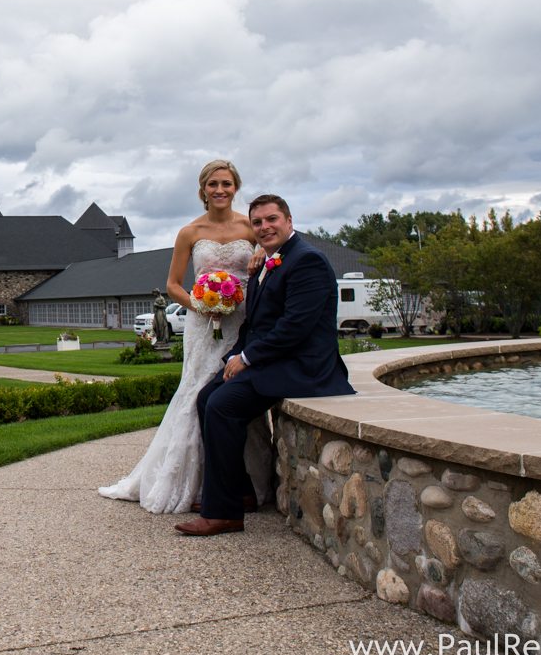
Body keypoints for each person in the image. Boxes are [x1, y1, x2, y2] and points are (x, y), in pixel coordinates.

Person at [175, 194, 355, 537]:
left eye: (272, 219)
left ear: (288, 220)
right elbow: (254, 325)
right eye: (257, 222)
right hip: (274, 358)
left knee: (223, 405)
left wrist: (247, 358)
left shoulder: (307, 261)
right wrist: (233, 356)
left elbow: (295, 327)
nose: (264, 227)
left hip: (302, 367)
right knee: (205, 396)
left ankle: (222, 512)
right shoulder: (268, 263)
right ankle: (240, 491)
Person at [99, 159, 270, 513]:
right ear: (202, 190)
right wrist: (199, 303)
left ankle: (248, 482)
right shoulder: (190, 232)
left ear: (235, 188)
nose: (220, 190)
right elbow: (172, 285)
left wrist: (258, 259)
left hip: (242, 321)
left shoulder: (251, 227)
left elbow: (270, 261)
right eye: (213, 184)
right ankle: (193, 483)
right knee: (197, 394)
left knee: (236, 393)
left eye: (226, 184)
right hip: (203, 323)